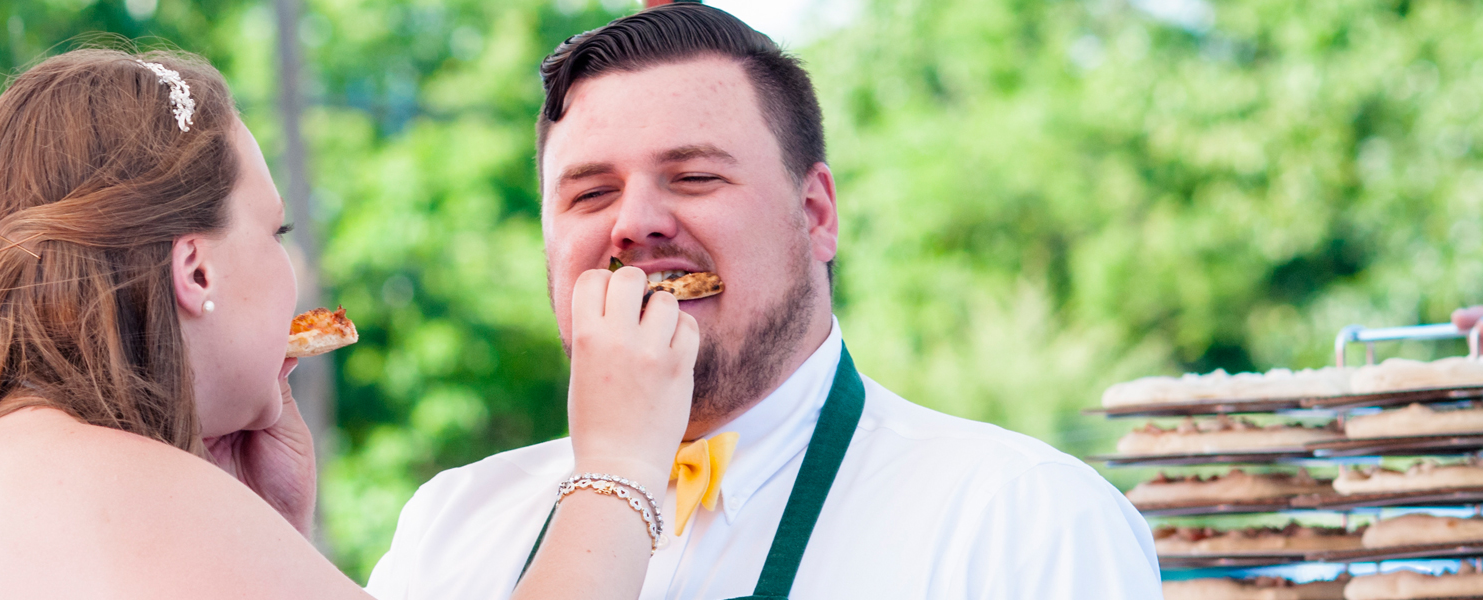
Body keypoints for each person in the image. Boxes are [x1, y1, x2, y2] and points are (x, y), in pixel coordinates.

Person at [0, 49, 699, 600]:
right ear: (197, 268)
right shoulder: (122, 484)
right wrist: (617, 465)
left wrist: (272, 536)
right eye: (275, 229)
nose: (292, 269)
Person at [366, 5, 1162, 599]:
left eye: (695, 177)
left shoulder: (1020, 519)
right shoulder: (449, 527)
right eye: (590, 192)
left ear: (816, 215)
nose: (635, 222)